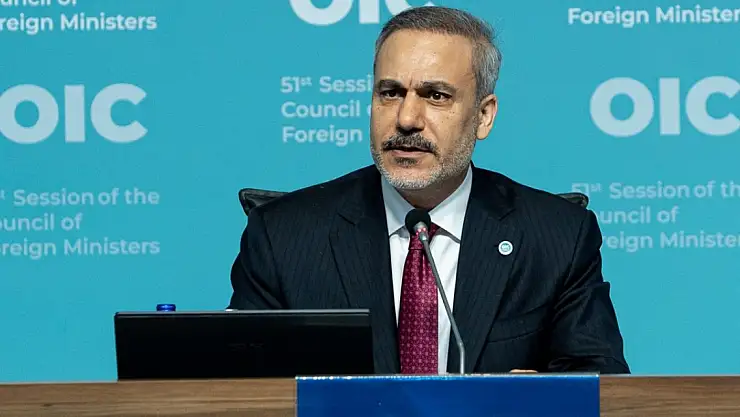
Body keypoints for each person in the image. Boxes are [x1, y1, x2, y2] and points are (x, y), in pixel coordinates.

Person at [229, 6, 629, 375]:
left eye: (436, 96)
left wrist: (539, 397)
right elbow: (241, 390)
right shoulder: (283, 237)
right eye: (390, 93)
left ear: (483, 116)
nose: (406, 119)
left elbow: (601, 383)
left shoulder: (558, 238)